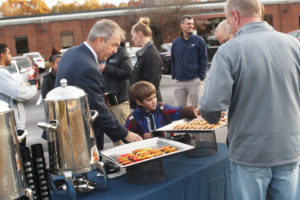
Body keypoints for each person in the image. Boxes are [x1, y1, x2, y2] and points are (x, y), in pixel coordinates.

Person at [199, 0, 300, 199]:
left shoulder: (229, 51)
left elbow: (210, 106)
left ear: (235, 16)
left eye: (229, 20)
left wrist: (212, 117)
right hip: (290, 147)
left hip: (250, 153)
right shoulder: (293, 45)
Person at [55, 19, 142, 150]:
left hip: (66, 133)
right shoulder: (88, 67)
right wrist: (126, 134)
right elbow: (97, 110)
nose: (115, 51)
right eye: (114, 45)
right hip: (82, 140)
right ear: (100, 40)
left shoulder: (70, 53)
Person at [125, 81, 199, 138]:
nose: (154, 101)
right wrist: (141, 136)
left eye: (154, 97)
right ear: (139, 102)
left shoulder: (162, 108)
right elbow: (126, 135)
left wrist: (192, 110)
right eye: (149, 100)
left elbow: (179, 111)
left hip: (169, 145)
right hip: (146, 151)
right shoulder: (133, 118)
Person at [0, 43, 37, 148]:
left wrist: (23, 86)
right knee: (18, 160)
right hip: (12, 126)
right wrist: (35, 87)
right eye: (9, 53)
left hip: (8, 126)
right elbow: (19, 94)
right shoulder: (1, 73)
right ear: (2, 55)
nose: (10, 56)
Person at [171, 15, 208, 108]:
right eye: (188, 24)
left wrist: (201, 77)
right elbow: (173, 60)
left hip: (194, 81)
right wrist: (174, 75)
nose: (191, 26)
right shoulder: (176, 42)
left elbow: (204, 59)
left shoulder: (199, 40)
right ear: (182, 25)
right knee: (179, 111)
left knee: (198, 110)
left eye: (192, 24)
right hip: (179, 82)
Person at [99, 41, 132, 145]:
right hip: (105, 99)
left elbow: (128, 73)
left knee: (125, 132)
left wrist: (106, 69)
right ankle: (120, 159)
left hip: (119, 100)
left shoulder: (122, 53)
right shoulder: (100, 53)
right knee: (116, 136)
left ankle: (132, 158)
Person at [130, 17, 162, 108]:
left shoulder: (151, 54)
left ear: (139, 34)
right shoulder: (145, 53)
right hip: (142, 104)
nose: (132, 39)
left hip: (147, 106)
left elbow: (152, 84)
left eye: (133, 35)